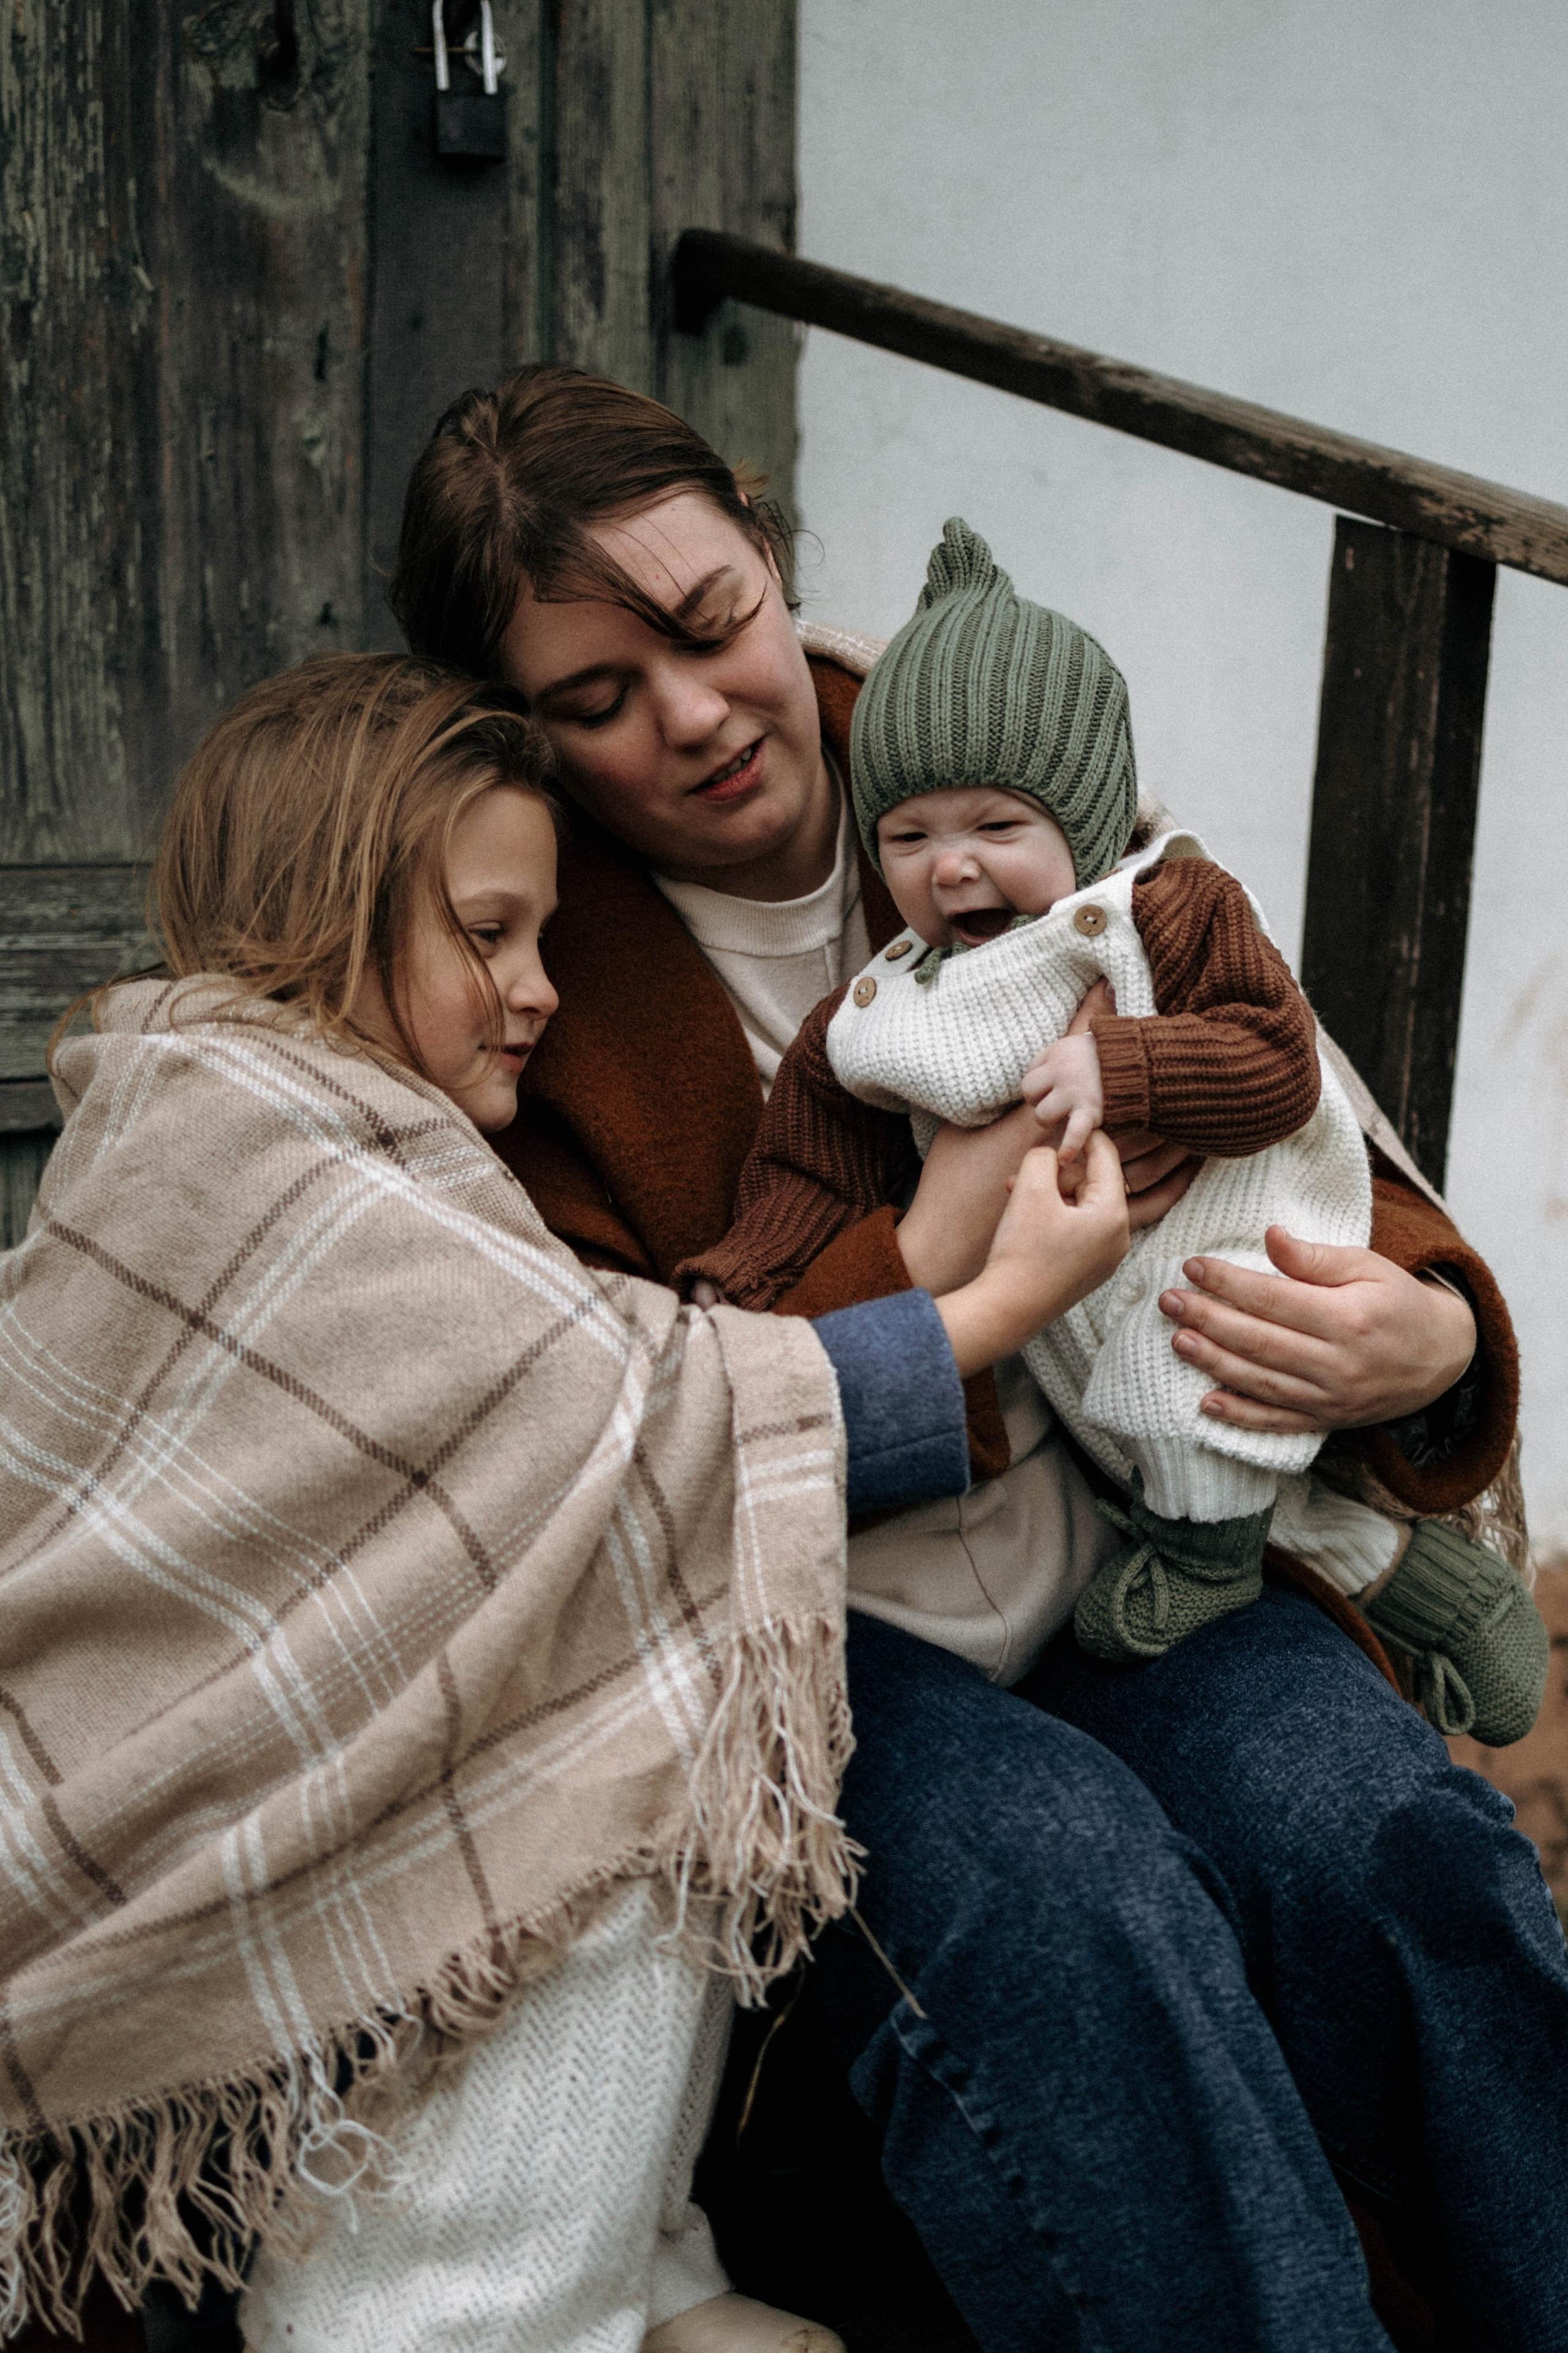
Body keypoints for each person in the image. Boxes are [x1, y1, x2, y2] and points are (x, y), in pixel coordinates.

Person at [389, 365, 1568, 2350]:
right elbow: (621, 1428)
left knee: (1364, 1830)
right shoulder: (517, 961)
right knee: (1054, 1886)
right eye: (597, 698)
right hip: (822, 1654)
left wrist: (1426, 1331)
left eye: (709, 624)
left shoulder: (963, 743)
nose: (689, 712)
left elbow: (1271, 1089)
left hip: (1134, 1547)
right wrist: (925, 1266)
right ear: (520, 725)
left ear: (767, 555)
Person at [0, 653, 1130, 2353]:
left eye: (542, 937)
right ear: (330, 904)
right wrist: (996, 1305)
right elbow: (635, 1406)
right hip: (109, 1829)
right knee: (593, 1740)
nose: (537, 989)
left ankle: (618, 2272)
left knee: (579, 1655)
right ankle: (485, 2306)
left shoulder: (310, 1120)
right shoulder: (250, 1135)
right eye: (489, 933)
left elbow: (582, 1418)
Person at [679, 512, 1548, 1741]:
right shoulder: (881, 1007)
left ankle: (1218, 1566)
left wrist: (1121, 1064)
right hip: (1057, 1333)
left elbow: (1275, 1062)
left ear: (1082, 822)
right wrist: (743, 1275)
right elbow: (805, 1153)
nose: (950, 870)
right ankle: (1411, 1583)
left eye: (995, 826)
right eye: (908, 835)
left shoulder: (1164, 908)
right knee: (1150, 1432)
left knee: (1211, 1402)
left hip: (1226, 1252)